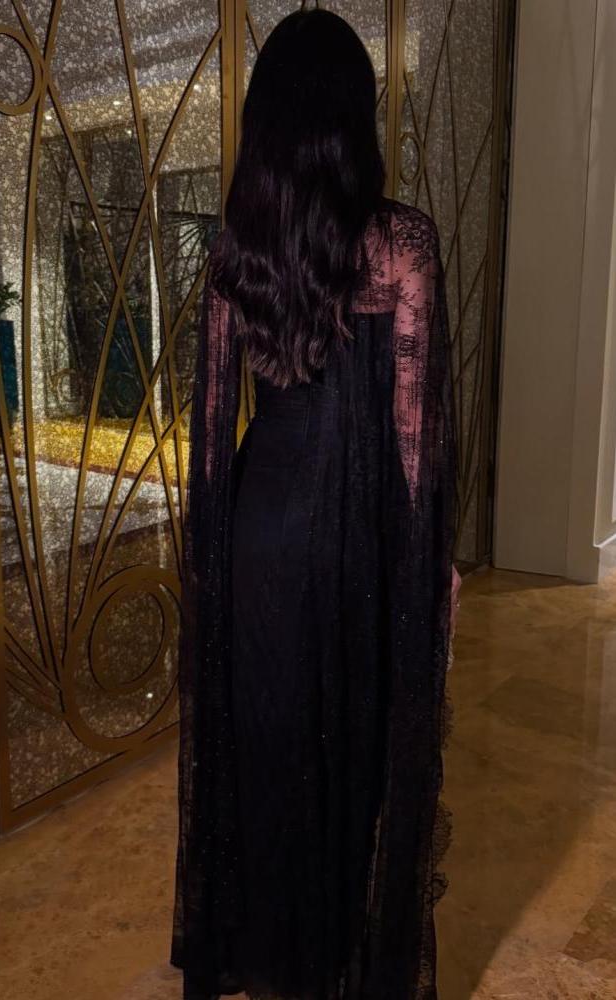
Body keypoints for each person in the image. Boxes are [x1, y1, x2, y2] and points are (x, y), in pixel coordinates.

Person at [170, 8, 462, 1000]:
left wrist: (208, 570)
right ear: (351, 119)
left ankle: (272, 953)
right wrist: (430, 575)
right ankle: (340, 959)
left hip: (259, 529)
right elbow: (416, 445)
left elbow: (213, 432)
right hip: (353, 540)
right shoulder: (401, 245)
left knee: (267, 739)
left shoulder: (233, 251)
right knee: (352, 745)